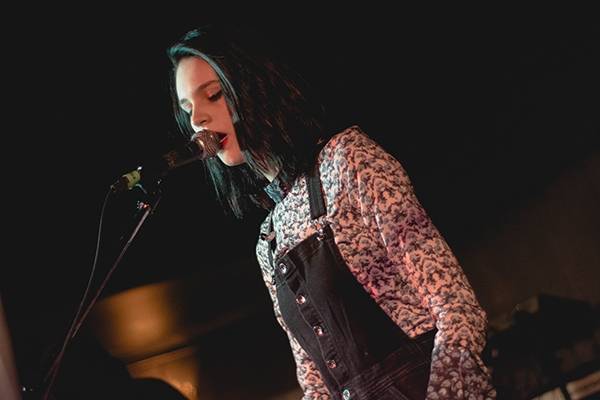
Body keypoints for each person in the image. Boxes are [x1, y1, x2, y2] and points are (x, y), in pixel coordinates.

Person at [166, 24, 496, 400]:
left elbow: (455, 306)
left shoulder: (347, 160)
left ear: (254, 87)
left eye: (213, 95)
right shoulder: (269, 241)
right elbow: (314, 382)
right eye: (188, 110)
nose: (198, 120)